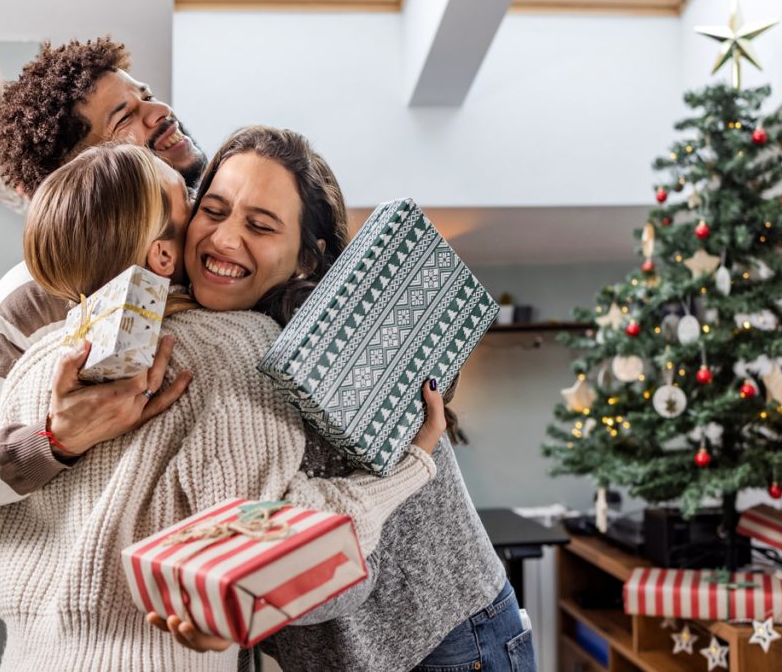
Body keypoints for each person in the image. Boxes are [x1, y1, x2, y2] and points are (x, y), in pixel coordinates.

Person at [0, 141, 443, 671]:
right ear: (163, 253)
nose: (222, 236)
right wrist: (413, 465)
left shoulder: (30, 365)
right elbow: (278, 539)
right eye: (200, 205)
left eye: (261, 224)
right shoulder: (231, 344)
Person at [155, 125, 536, 671]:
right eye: (213, 211)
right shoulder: (210, 330)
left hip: (443, 647)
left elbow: (348, 568)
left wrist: (239, 606)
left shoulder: (322, 352)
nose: (223, 239)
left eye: (260, 225)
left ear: (308, 257)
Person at [0, 37, 206, 514]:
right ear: (83, 176)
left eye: (145, 95)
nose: (160, 111)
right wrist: (53, 440)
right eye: (124, 118)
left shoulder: (222, 251)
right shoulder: (29, 298)